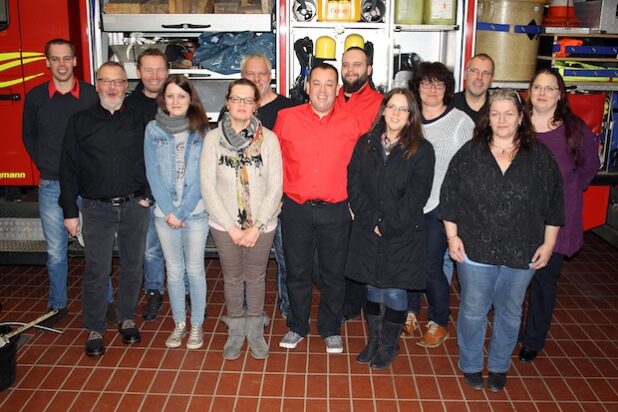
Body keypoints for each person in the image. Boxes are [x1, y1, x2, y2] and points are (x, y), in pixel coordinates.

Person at [440, 88, 564, 391]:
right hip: (475, 247)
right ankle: (470, 362)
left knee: (510, 311)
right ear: (487, 118)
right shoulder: (470, 153)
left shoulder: (541, 158)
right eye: (495, 113)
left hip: (523, 250)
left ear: (521, 117)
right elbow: (449, 197)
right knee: (472, 309)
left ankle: (498, 364)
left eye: (509, 113)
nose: (502, 119)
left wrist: (548, 245)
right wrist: (452, 236)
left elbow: (555, 205)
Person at [59, 61, 151, 357]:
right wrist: (70, 212)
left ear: (127, 86)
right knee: (97, 270)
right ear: (96, 85)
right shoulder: (80, 122)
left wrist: (147, 196)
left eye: (119, 82)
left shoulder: (140, 120)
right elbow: (67, 169)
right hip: (95, 208)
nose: (112, 87)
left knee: (132, 268)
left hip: (134, 206)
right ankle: (95, 328)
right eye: (106, 81)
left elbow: (152, 159)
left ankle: (126, 318)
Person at [274, 63, 362, 354]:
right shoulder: (286, 118)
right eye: (317, 83)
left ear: (338, 90)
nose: (322, 90)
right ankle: (297, 326)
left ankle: (330, 328)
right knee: (296, 272)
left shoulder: (352, 123)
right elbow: (275, 163)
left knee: (333, 274)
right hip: (296, 209)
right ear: (307, 86)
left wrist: (355, 204)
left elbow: (360, 169)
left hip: (336, 211)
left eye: (329, 84)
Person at [346, 88, 435, 369]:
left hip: (403, 232)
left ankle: (388, 344)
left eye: (403, 109)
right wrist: (372, 221)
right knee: (372, 286)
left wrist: (387, 224)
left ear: (411, 116)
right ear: (383, 110)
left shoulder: (422, 149)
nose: (396, 113)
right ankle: (374, 339)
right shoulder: (365, 144)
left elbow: (417, 195)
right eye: (392, 107)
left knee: (395, 291)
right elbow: (354, 184)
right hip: (368, 229)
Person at [519, 70, 600, 363]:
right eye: (537, 87)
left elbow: (589, 167)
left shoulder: (574, 129)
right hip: (519, 220)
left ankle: (532, 340)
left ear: (559, 94)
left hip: (557, 221)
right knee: (516, 282)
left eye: (549, 88)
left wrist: (566, 193)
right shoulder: (516, 124)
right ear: (529, 91)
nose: (542, 93)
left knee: (543, 283)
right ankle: (512, 331)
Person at [201, 79, 282, 360]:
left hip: (263, 224)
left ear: (256, 105)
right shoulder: (212, 139)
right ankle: (236, 330)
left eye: (248, 100)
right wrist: (232, 228)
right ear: (227, 102)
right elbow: (207, 187)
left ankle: (255, 330)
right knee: (233, 278)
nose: (242, 105)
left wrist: (257, 226)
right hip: (225, 226)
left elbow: (276, 186)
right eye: (236, 99)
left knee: (256, 277)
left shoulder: (269, 139)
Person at [22, 38, 98, 328]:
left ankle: (103, 300)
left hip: (88, 185)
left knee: (96, 248)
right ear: (47, 63)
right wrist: (46, 165)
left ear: (76, 61)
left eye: (67, 58)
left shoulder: (91, 95)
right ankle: (57, 305)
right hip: (52, 184)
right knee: (55, 251)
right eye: (56, 59)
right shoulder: (36, 97)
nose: (62, 64)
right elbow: (29, 136)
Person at [405, 62, 474, 345]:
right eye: (426, 83)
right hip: (409, 205)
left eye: (439, 84)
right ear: (417, 87)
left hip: (439, 207)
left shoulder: (460, 122)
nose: (432, 89)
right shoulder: (409, 119)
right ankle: (409, 311)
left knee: (431, 267)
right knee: (409, 263)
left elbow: (470, 169)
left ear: (447, 89)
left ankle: (439, 321)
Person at [144, 75, 209, 349]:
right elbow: (152, 173)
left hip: (195, 213)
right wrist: (169, 210)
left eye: (181, 96)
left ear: (189, 99)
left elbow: (202, 176)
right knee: (174, 271)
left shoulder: (202, 130)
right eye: (170, 96)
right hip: (164, 214)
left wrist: (181, 212)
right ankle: (179, 324)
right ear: (163, 99)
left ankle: (197, 326)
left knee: (194, 271)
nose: (175, 101)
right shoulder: (152, 130)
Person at [239, 53, 296, 320]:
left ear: (270, 75)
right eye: (251, 74)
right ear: (243, 77)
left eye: (262, 73)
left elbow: (298, 156)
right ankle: (249, 310)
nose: (257, 78)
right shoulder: (237, 111)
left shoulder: (290, 108)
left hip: (282, 201)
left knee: (287, 261)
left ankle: (288, 307)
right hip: (248, 204)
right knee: (249, 263)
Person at [336, 46, 383, 321]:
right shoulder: (331, 97)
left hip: (364, 190)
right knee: (337, 252)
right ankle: (346, 301)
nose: (351, 70)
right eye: (346, 65)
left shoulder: (380, 103)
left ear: (369, 69)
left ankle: (360, 304)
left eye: (357, 65)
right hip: (332, 187)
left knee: (362, 250)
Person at [124, 48, 171, 322]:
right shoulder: (128, 106)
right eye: (148, 70)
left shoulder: (178, 100)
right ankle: (155, 291)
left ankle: (185, 292)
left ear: (167, 71)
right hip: (144, 192)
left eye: (160, 69)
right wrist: (141, 191)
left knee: (181, 247)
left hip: (176, 191)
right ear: (138, 72)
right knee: (149, 247)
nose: (155, 75)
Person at [450, 53, 495, 123]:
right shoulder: (448, 105)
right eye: (474, 71)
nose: (479, 77)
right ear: (465, 74)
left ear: (491, 80)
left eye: (485, 73)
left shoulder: (497, 109)